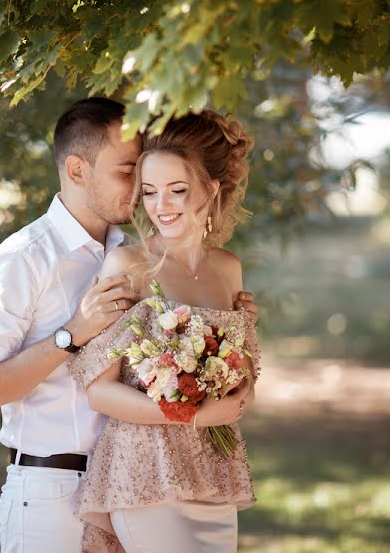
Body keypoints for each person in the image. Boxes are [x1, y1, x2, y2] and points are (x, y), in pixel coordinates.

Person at [0, 99, 259, 553]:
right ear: (78, 170)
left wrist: (227, 334)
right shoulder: (23, 258)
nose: (143, 191)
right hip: (52, 488)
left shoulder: (136, 251)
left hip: (139, 474)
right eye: (129, 173)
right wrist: (71, 334)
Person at [68, 109, 260, 553]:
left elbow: (243, 377)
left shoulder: (229, 269)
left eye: (177, 190)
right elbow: (100, 392)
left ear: (210, 190)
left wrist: (239, 391)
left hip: (213, 474)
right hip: (146, 475)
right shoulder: (127, 266)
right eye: (150, 192)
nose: (160, 206)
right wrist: (193, 414)